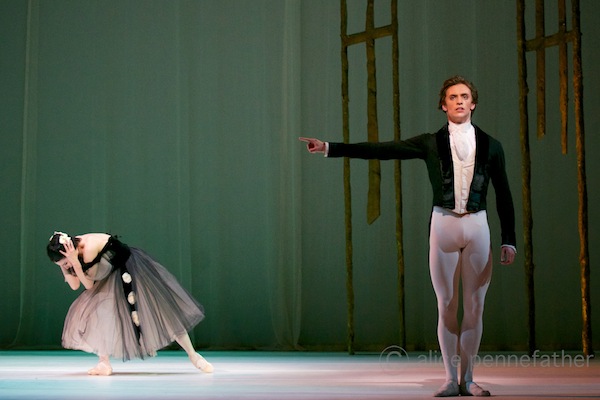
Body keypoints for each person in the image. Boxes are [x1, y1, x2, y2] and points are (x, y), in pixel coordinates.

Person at [300, 75, 516, 397]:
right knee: (446, 304)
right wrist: (330, 147)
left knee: (475, 306)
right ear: (443, 105)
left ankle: (469, 379)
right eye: (453, 97)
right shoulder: (430, 142)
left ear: (473, 103)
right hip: (443, 224)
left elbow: (504, 194)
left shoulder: (492, 145)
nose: (459, 101)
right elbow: (384, 150)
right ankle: (450, 379)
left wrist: (508, 238)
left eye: (464, 96)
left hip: (477, 226)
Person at [47, 231, 213, 376]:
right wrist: (65, 265)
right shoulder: (71, 256)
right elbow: (75, 285)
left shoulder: (88, 248)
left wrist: (74, 263)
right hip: (107, 275)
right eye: (62, 265)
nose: (66, 266)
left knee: (161, 311)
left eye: (65, 263)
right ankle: (104, 362)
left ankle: (193, 355)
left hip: (128, 268)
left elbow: (89, 285)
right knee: (99, 313)